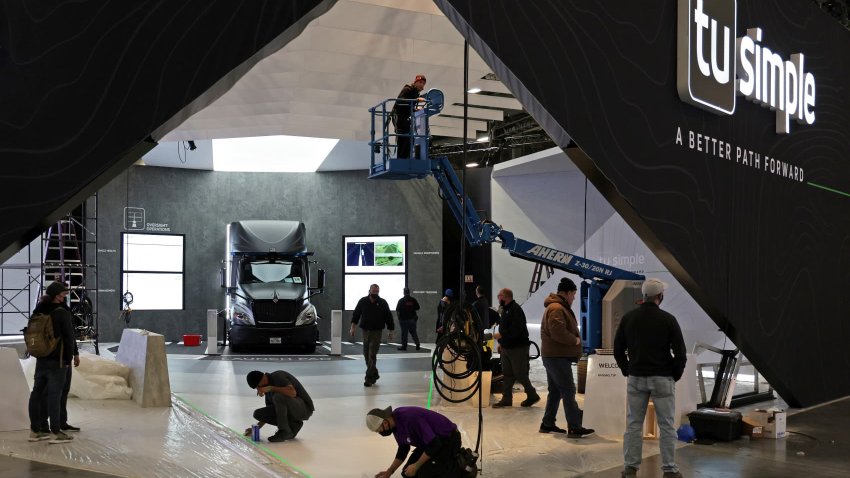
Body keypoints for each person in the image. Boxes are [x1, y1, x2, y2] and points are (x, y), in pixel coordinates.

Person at [614, 279, 687, 478]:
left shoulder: (629, 318)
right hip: (663, 378)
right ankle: (670, 470)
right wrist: (675, 374)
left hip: (636, 377)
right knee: (666, 426)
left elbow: (617, 350)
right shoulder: (668, 319)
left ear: (643, 296)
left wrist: (627, 369)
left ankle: (630, 469)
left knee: (634, 425)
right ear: (660, 297)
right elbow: (680, 353)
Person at [539, 278, 594, 438]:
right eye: (574, 294)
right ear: (568, 292)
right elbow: (557, 331)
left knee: (555, 391)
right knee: (568, 390)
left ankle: (547, 423)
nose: (574, 298)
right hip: (557, 357)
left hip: (553, 355)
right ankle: (575, 426)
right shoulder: (557, 308)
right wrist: (575, 340)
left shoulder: (556, 306)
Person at [27, 281, 76, 444]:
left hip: (41, 358)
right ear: (56, 296)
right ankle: (56, 432)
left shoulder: (38, 309)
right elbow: (69, 337)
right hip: (58, 359)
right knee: (55, 394)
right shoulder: (61, 312)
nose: (64, 297)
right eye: (62, 295)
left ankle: (36, 430)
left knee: (36, 393)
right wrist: (69, 359)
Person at [367, 405, 463, 478]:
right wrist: (390, 471)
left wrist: (416, 466)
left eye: (379, 430)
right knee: (407, 473)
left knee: (424, 473)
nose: (380, 433)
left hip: (448, 439)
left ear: (384, 423)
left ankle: (459, 465)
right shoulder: (395, 424)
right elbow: (403, 448)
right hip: (429, 443)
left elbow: (435, 444)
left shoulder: (409, 419)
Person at [491, 288, 539, 408]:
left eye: (499, 296)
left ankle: (532, 395)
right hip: (507, 347)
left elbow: (516, 330)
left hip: (518, 348)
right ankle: (506, 398)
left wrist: (501, 336)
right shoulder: (506, 310)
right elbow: (505, 328)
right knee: (507, 373)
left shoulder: (515, 310)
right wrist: (502, 343)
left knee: (520, 373)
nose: (498, 298)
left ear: (506, 297)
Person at [244, 370, 314, 442]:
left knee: (278, 397)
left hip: (304, 409)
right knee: (258, 414)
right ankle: (293, 425)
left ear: (262, 378)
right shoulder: (268, 391)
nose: (259, 389)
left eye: (258, 386)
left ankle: (284, 431)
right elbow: (271, 413)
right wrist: (255, 429)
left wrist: (271, 388)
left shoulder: (277, 376)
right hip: (293, 410)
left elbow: (292, 392)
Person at [350, 284, 394, 387]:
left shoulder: (382, 302)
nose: (375, 293)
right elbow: (356, 314)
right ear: (369, 290)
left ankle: (368, 379)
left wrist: (391, 330)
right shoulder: (363, 301)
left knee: (372, 354)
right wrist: (352, 327)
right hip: (365, 330)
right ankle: (375, 374)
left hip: (377, 331)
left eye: (377, 292)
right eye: (373, 291)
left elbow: (388, 317)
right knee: (366, 353)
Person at [392, 74, 427, 159]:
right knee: (404, 139)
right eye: (420, 82)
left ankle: (405, 158)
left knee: (408, 140)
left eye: (423, 83)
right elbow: (400, 101)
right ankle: (401, 159)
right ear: (415, 82)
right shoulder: (407, 89)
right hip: (399, 117)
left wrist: (415, 109)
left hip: (405, 118)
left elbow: (408, 108)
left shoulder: (415, 93)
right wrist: (416, 100)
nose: (421, 85)